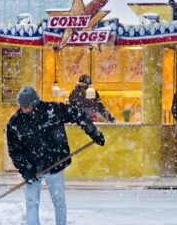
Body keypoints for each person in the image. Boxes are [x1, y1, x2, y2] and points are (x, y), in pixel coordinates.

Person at [7, 86, 105, 225]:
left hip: (55, 164)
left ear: (35, 103)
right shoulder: (15, 122)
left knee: (59, 202)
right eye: (22, 106)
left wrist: (93, 132)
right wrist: (25, 169)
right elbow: (14, 150)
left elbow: (78, 114)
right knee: (31, 204)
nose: (25, 109)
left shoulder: (52, 110)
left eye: (28, 106)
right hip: (32, 169)